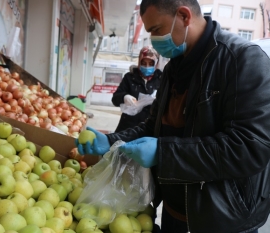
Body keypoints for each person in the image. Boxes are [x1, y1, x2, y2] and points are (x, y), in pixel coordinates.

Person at [76, 0, 270, 232]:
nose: (154, 41)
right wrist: (110, 141)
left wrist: (163, 153)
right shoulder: (173, 69)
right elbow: (152, 127)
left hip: (222, 220)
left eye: (156, 30)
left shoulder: (242, 60)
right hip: (172, 213)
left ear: (184, 16)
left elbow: (249, 147)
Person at [112, 46, 162, 132]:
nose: (147, 66)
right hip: (128, 127)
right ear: (139, 62)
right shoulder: (130, 77)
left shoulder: (162, 79)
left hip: (149, 129)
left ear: (156, 64)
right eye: (144, 63)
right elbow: (115, 99)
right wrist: (124, 97)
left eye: (150, 64)